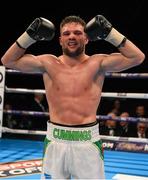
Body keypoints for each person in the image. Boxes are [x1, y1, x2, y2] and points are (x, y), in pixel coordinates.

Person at [1, 15, 145, 179]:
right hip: (55, 140)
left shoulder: (97, 63)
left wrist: (110, 33)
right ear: (60, 40)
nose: (72, 36)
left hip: (87, 142)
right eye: (67, 33)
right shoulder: (48, 63)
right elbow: (8, 61)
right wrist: (29, 35)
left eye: (77, 33)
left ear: (86, 38)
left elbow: (137, 57)